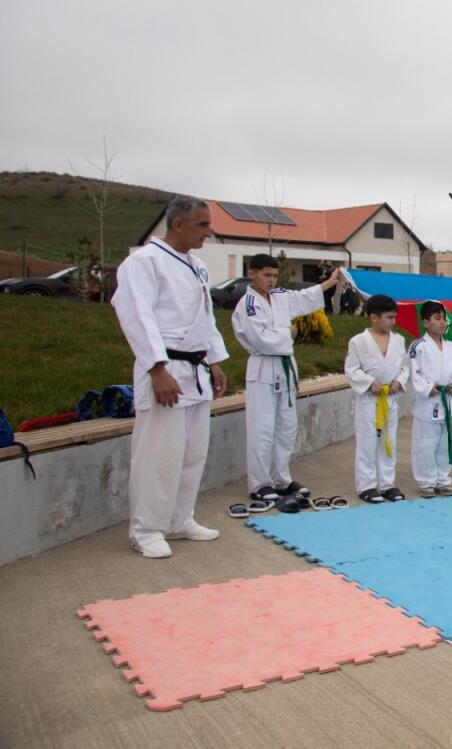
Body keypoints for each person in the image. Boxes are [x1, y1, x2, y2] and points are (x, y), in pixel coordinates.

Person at [111, 196, 228, 559]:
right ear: (178, 224)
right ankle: (145, 528)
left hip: (194, 371)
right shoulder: (144, 262)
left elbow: (205, 317)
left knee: (192, 453)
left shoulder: (197, 266)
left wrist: (214, 360)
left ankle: (179, 519)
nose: (209, 232)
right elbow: (136, 315)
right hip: (165, 369)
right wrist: (156, 369)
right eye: (202, 225)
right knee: (160, 454)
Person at [232, 253, 342, 505]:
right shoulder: (248, 304)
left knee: (286, 426)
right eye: (266, 275)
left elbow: (304, 299)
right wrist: (287, 332)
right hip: (263, 366)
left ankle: (281, 478)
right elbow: (261, 339)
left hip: (284, 367)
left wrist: (331, 282)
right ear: (252, 273)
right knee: (262, 427)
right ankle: (259, 483)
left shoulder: (280, 296)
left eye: (274, 275)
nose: (271, 280)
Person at [344, 294, 409, 504]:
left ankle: (387, 484)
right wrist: (368, 381)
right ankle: (367, 485)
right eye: (389, 317)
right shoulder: (358, 341)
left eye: (394, 317)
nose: (393, 322)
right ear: (373, 317)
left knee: (389, 442)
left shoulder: (398, 340)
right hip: (369, 401)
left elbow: (406, 367)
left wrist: (400, 381)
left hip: (390, 399)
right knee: (367, 442)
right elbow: (351, 369)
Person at [409, 301, 452, 497]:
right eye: (437, 318)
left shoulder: (451, 347)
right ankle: (426, 481)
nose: (442, 322)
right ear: (426, 322)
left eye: (444, 318)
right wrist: (428, 388)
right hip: (428, 402)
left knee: (445, 443)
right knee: (426, 444)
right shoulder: (418, 346)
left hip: (446, 400)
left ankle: (443, 480)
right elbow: (414, 374)